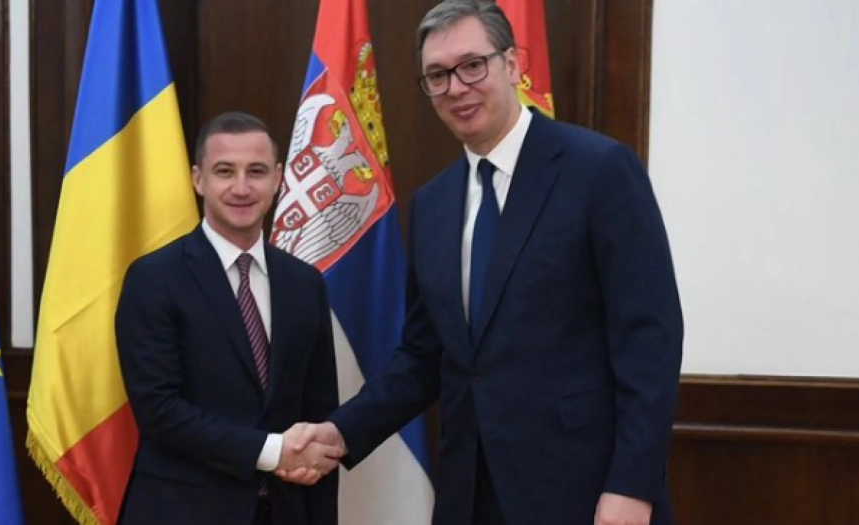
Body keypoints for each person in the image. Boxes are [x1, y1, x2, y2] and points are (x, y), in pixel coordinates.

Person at [283, 1, 685, 524]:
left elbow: (649, 340)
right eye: (438, 75)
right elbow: (424, 356)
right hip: (468, 493)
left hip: (585, 492)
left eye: (473, 65)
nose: (456, 87)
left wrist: (632, 485)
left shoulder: (600, 171)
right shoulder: (432, 204)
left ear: (512, 64)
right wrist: (341, 432)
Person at [115, 111, 343, 525]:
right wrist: (271, 452)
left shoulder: (305, 283)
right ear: (198, 179)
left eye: (256, 171)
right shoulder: (154, 279)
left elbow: (318, 411)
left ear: (277, 179)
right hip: (182, 514)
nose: (241, 187)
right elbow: (159, 410)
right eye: (225, 171)